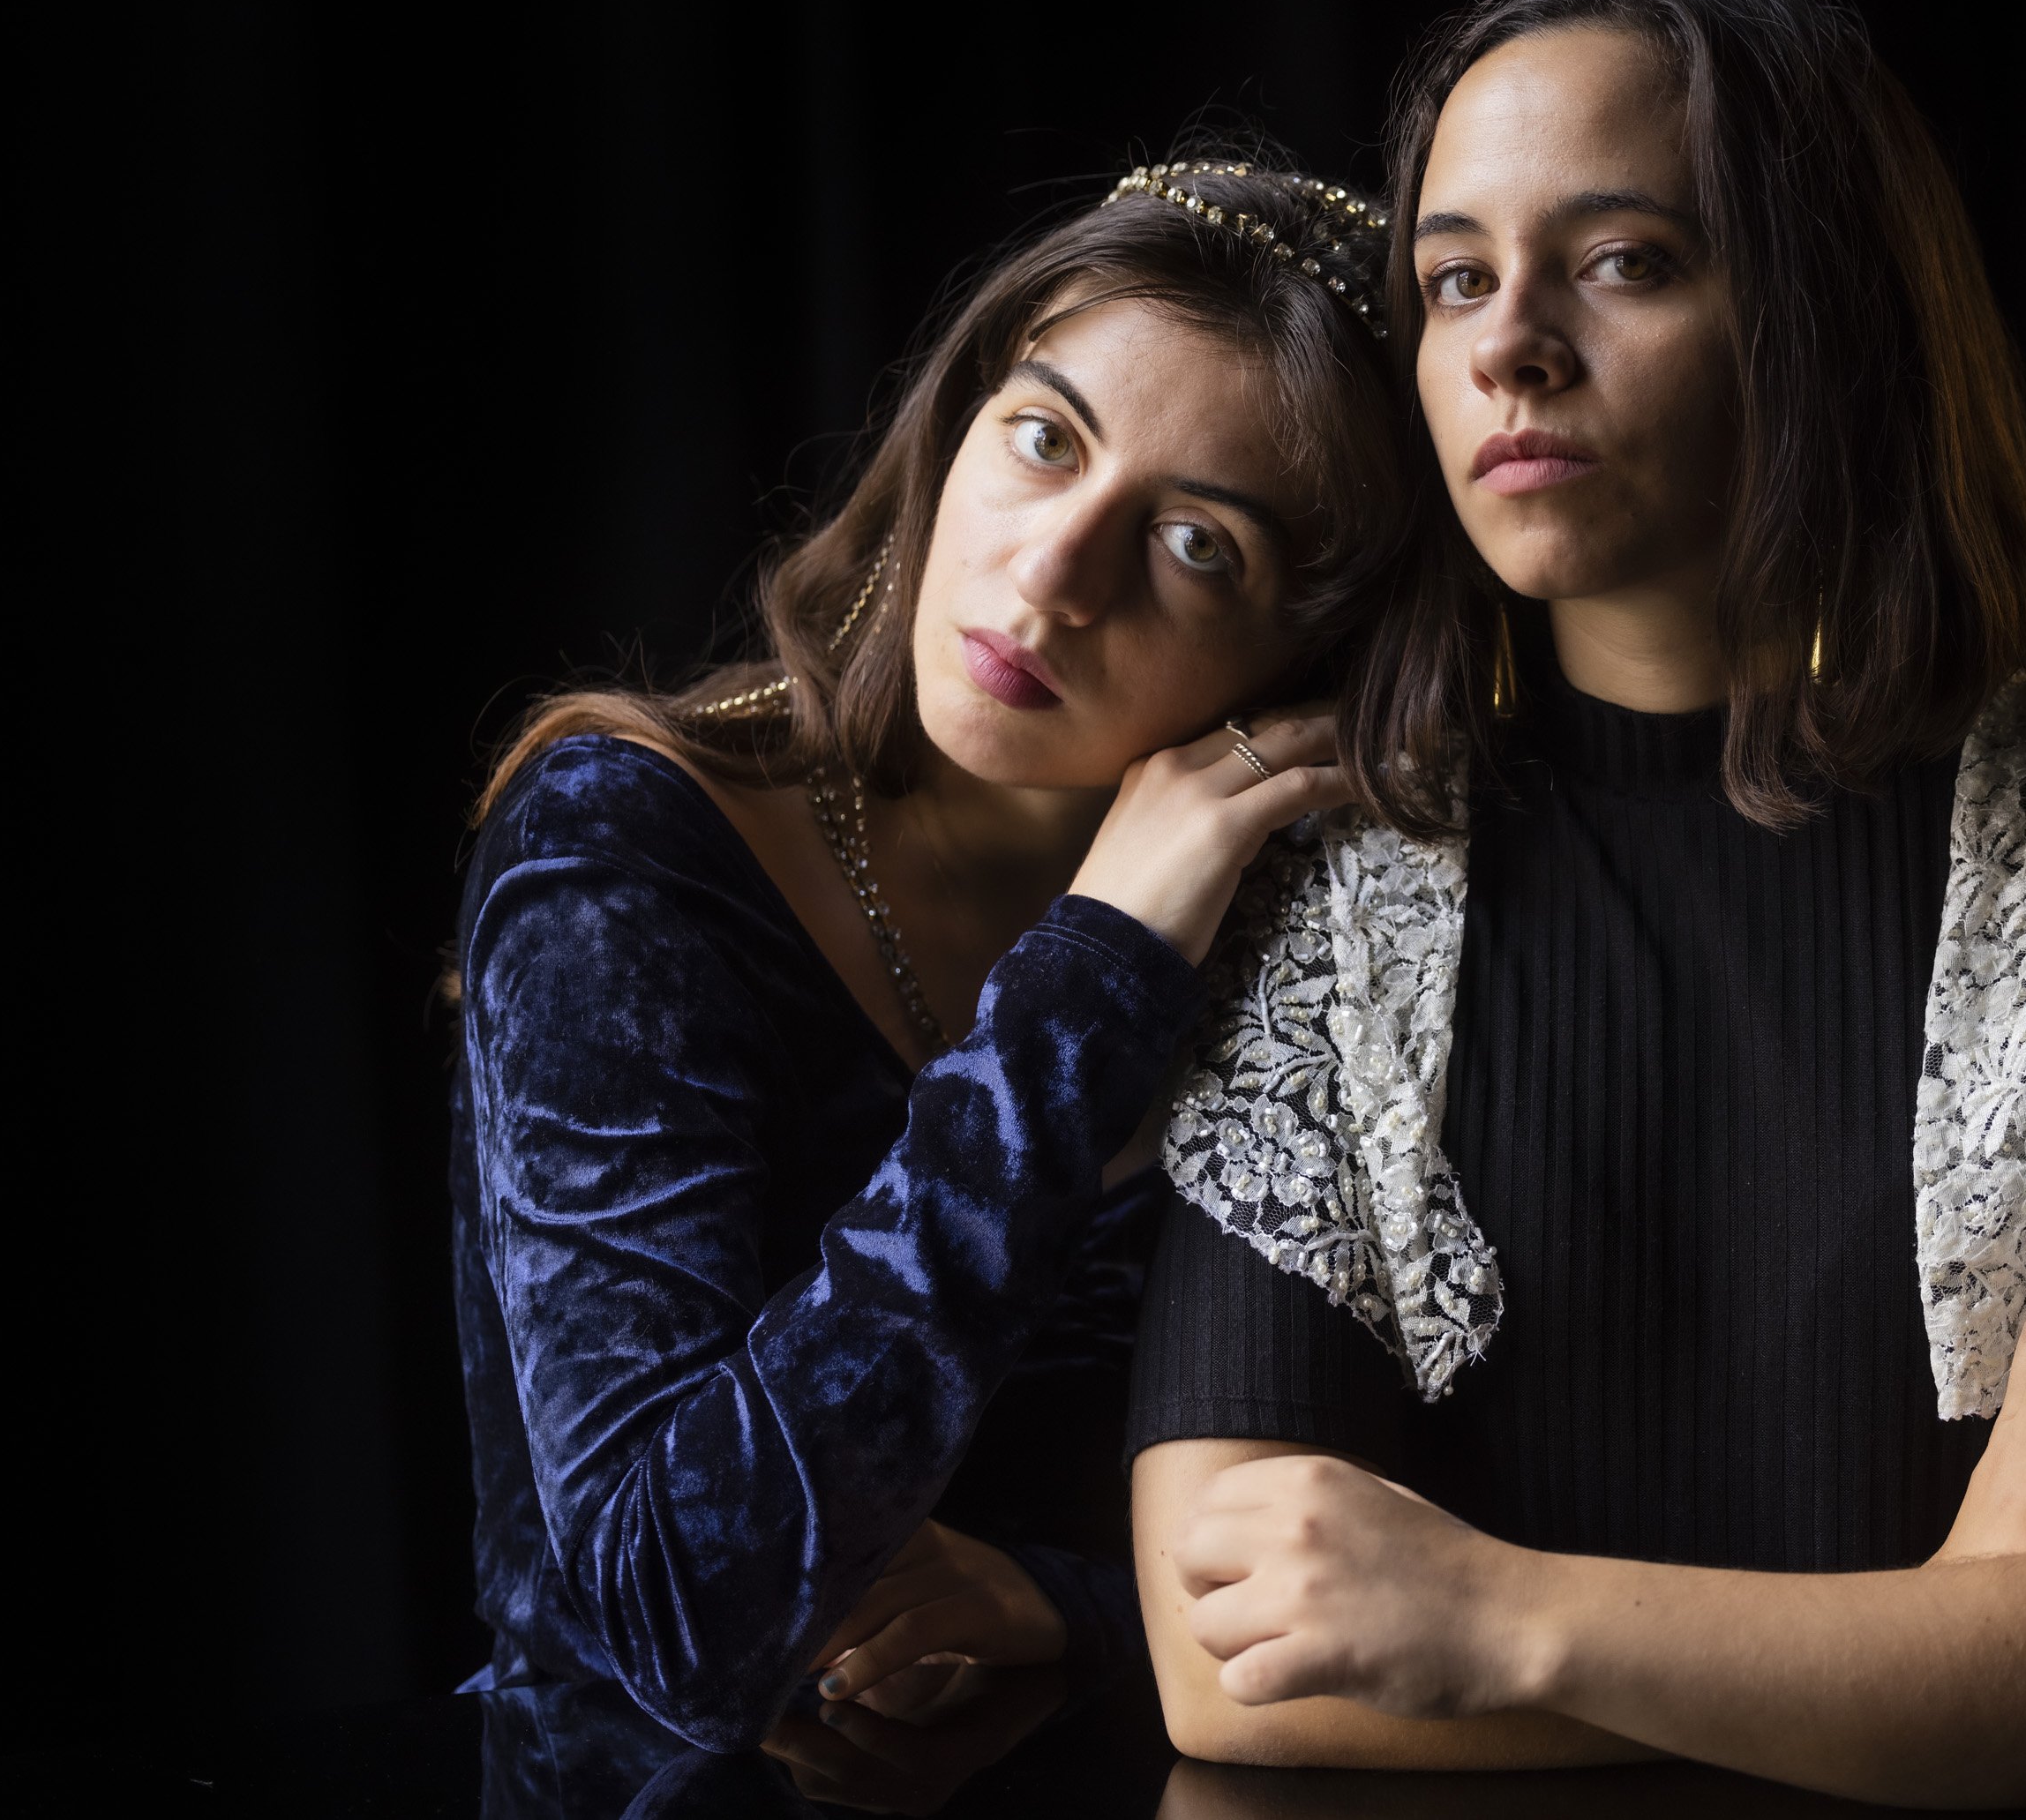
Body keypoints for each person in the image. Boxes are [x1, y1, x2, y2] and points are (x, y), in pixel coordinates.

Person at [1113, 0, 2026, 1806]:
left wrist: (1495, 1616)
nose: (1508, 344)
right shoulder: (1330, 870)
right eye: (1454, 278)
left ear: (1819, 310)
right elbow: (1229, 1662)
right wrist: (1954, 1631)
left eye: (1621, 260)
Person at [447, 155, 1403, 1749]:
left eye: (1196, 546)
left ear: (1309, 657)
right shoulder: (623, 848)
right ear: (955, 432)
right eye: (1046, 440)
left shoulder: (1318, 926)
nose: (1052, 575)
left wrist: (1072, 1603)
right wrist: (1091, 974)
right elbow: (675, 1608)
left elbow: (1446, 1512)